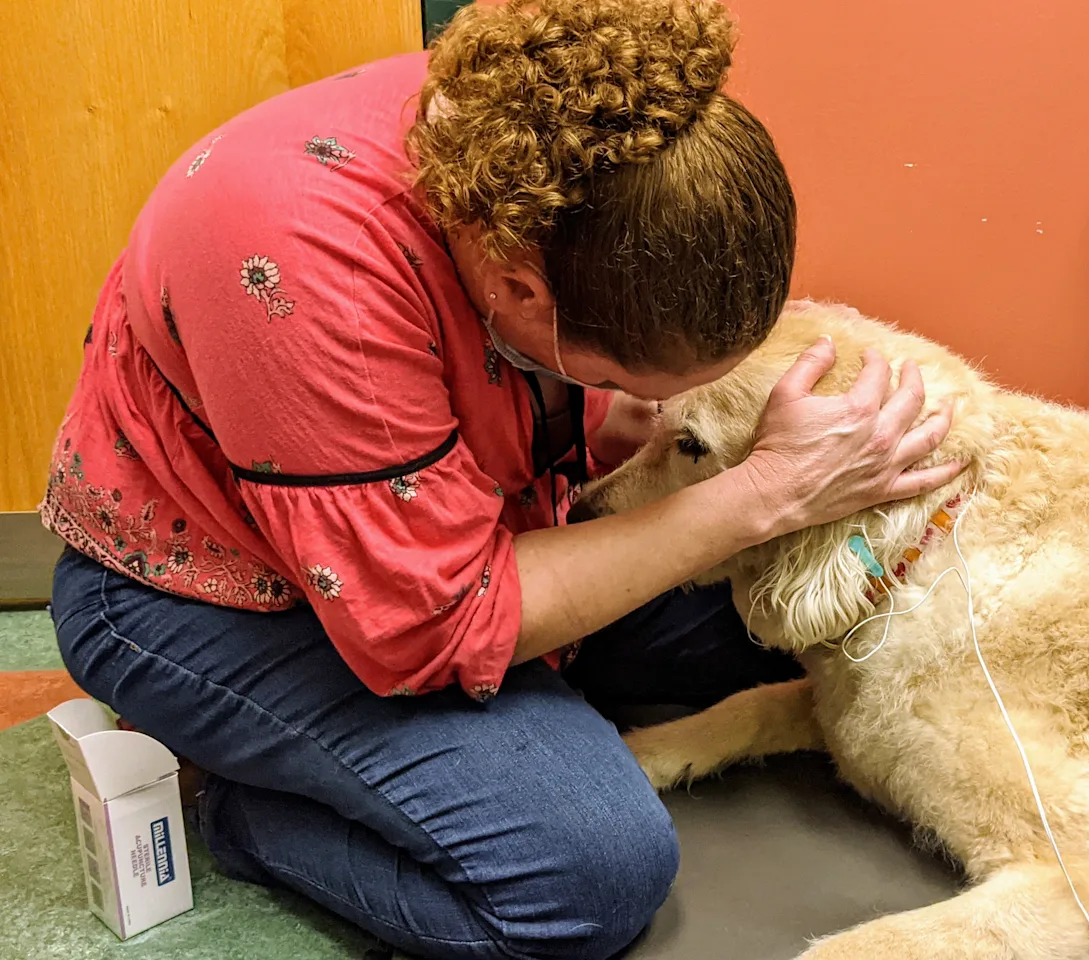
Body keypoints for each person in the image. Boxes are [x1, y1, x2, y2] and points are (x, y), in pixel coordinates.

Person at [43, 2, 961, 958]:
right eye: (626, 384)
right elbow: (436, 621)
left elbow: (529, 399)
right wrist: (764, 494)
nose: (638, 406)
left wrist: (644, 432)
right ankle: (232, 800)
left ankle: (469, 742)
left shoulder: (554, 137)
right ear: (522, 291)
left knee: (803, 617)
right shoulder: (303, 263)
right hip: (216, 602)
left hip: (477, 526)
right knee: (589, 875)